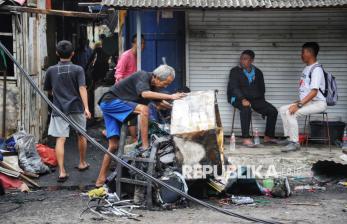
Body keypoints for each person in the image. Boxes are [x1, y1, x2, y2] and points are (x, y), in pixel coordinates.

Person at [95, 65, 186, 188]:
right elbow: (145, 94)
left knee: (113, 146)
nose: (166, 87)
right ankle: (145, 146)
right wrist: (171, 96)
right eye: (165, 83)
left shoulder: (153, 85)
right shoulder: (142, 76)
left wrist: (176, 105)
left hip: (111, 105)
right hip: (110, 102)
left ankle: (100, 180)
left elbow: (160, 105)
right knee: (144, 109)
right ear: (157, 77)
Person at [44, 40, 91, 182]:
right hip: (76, 107)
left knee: (60, 139)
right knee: (81, 135)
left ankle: (62, 172)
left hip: (59, 108)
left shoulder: (51, 70)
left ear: (57, 53)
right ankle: (82, 163)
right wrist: (87, 108)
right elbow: (82, 88)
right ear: (73, 54)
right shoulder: (78, 69)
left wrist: (59, 95)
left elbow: (49, 90)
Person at [279, 42, 327, 152]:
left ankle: (295, 143)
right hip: (308, 102)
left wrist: (299, 105)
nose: (301, 55)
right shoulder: (307, 68)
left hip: (318, 103)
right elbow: (306, 89)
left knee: (291, 112)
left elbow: (314, 92)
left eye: (303, 52)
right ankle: (289, 138)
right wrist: (299, 101)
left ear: (310, 53)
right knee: (282, 109)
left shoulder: (316, 69)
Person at [227, 50, 278, 147]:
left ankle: (268, 137)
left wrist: (262, 105)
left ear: (251, 61)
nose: (242, 61)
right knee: (246, 109)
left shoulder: (258, 72)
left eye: (245, 59)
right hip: (237, 98)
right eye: (241, 58)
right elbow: (234, 88)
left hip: (254, 99)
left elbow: (262, 89)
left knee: (272, 111)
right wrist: (242, 99)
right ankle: (246, 138)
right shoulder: (235, 71)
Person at [113, 34, 145, 143]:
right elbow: (118, 74)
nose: (142, 46)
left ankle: (113, 133)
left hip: (133, 90)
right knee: (132, 115)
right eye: (140, 43)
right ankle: (134, 138)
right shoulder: (126, 56)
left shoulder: (139, 56)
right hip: (125, 91)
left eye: (144, 43)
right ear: (133, 43)